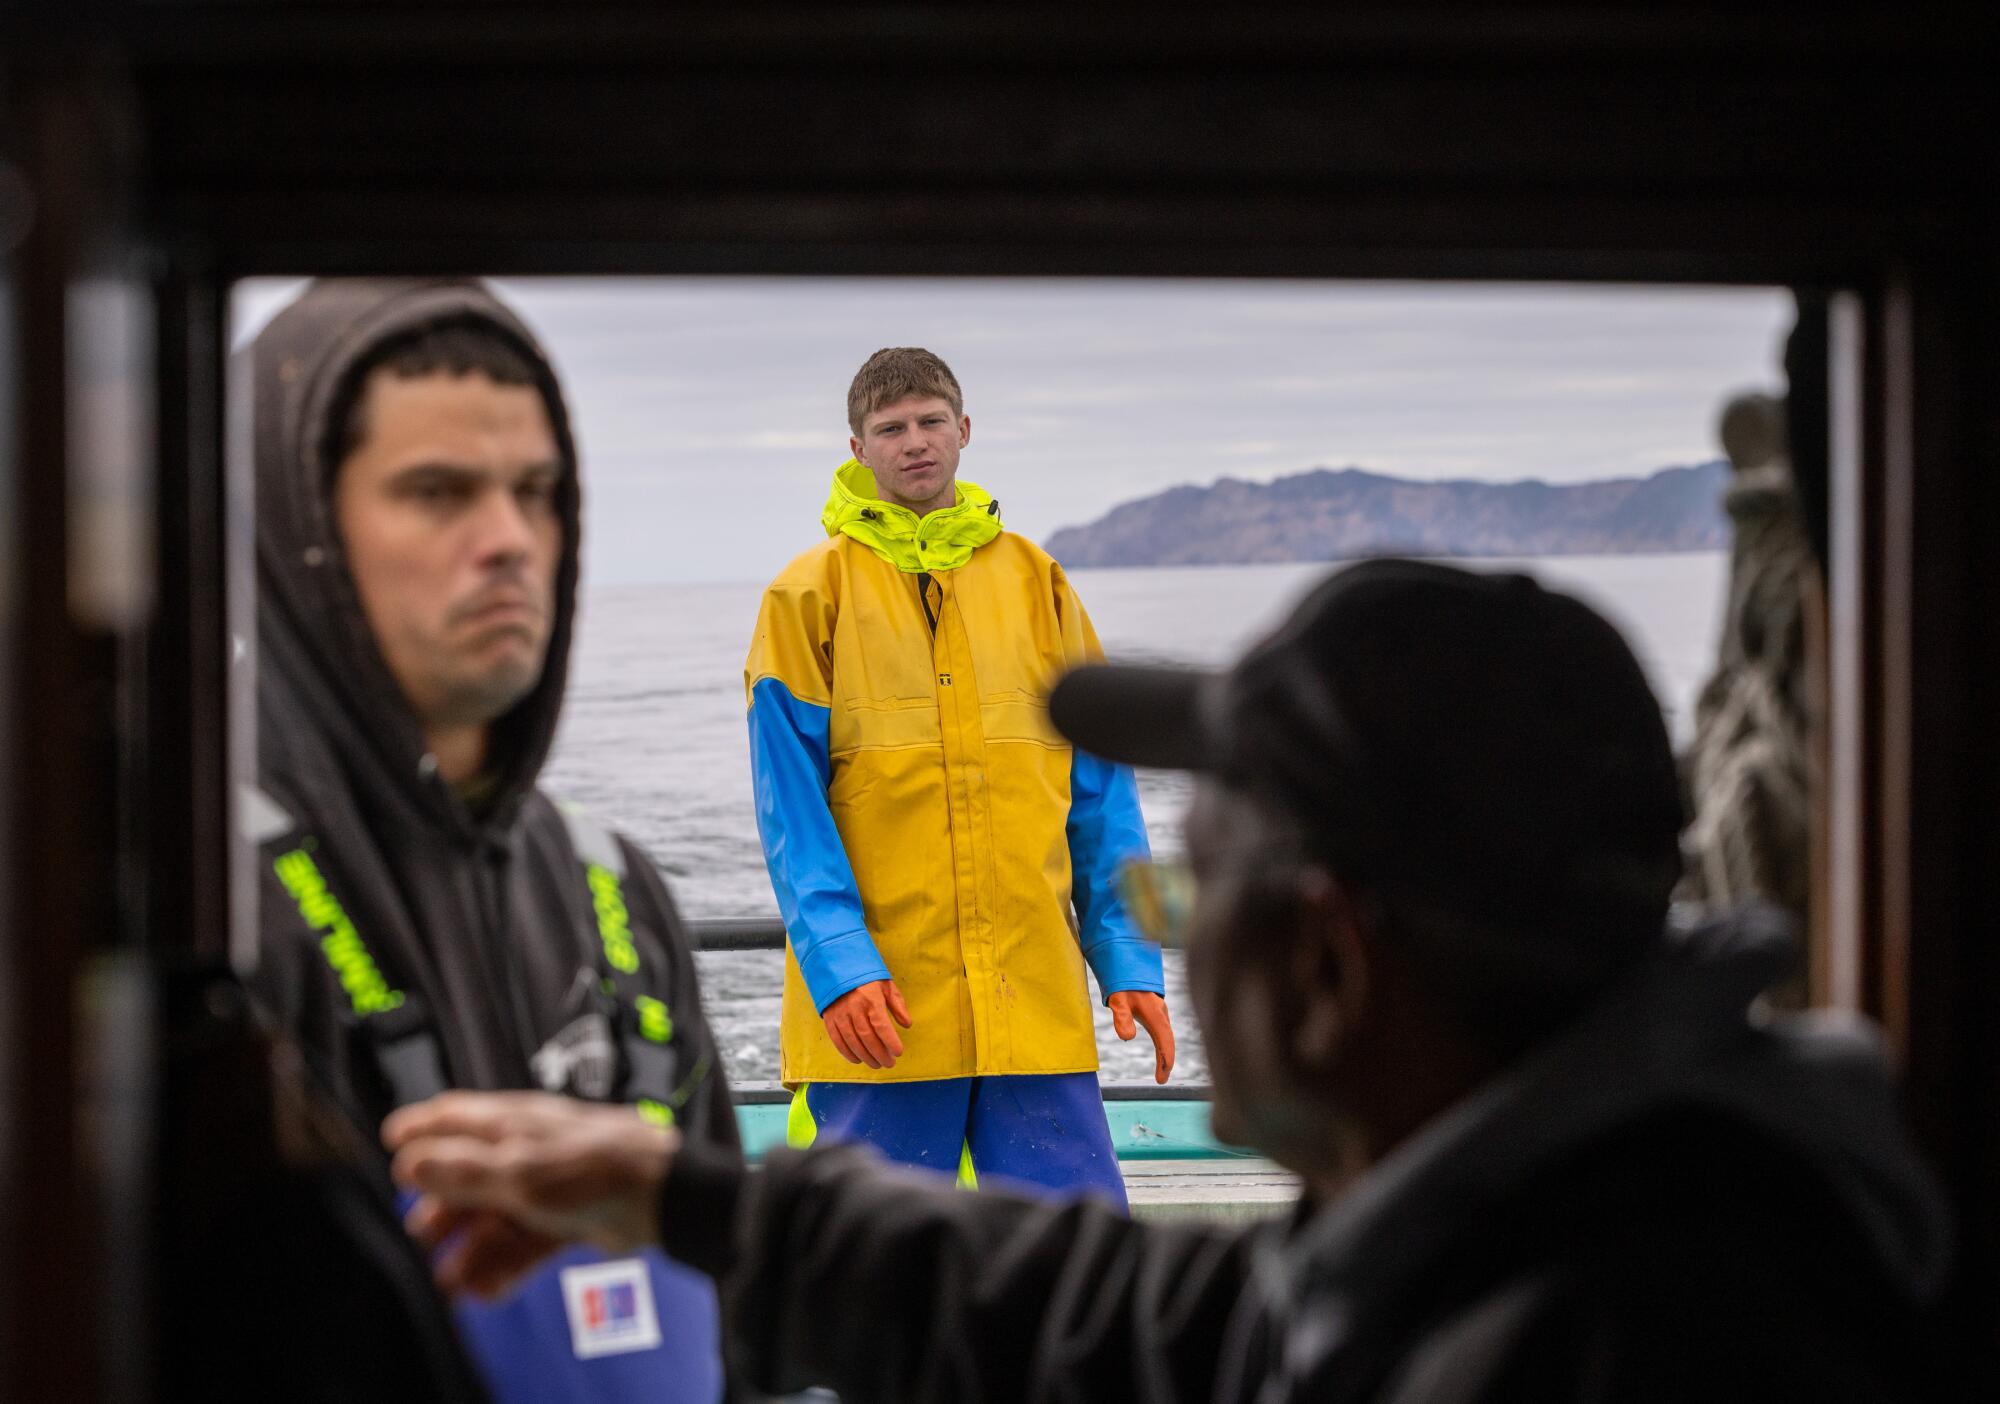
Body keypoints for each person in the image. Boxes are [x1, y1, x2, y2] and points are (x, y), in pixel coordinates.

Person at [388, 557, 1960, 1402]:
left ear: (1333, 958)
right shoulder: (1578, 1224)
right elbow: (1149, 1311)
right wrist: (693, 1198)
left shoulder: (1621, 1341)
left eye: (1185, 892)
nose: (1170, 934)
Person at [244, 279, 739, 1404]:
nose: (510, 541)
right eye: (437, 492)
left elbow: (734, 1303)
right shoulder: (209, 908)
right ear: (294, 528)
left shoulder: (612, 884)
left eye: (536, 492)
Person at [741, 346, 1173, 1202]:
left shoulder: (1039, 582)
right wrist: (839, 965)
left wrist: (1127, 952)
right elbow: (789, 810)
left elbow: (1100, 793)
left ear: (965, 429)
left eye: (932, 421)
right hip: (884, 1011)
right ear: (857, 448)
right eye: (890, 428)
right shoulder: (806, 595)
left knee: (1073, 1259)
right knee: (876, 1272)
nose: (915, 442)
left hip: (1033, 1004)